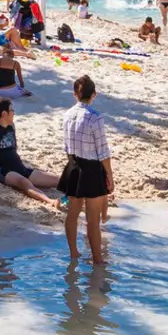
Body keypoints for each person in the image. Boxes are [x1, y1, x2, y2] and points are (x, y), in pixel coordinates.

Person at [58, 76, 113, 265]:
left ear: (75, 95)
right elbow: (103, 151)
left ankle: (73, 253)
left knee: (72, 214)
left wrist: (72, 166)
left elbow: (67, 147)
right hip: (91, 169)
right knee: (93, 219)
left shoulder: (67, 115)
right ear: (94, 95)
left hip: (74, 165)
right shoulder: (95, 117)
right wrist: (110, 176)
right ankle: (97, 261)